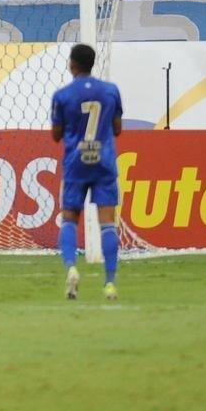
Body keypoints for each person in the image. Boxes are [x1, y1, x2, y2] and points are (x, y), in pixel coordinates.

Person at [51, 43, 123, 300]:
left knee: (69, 218)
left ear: (72, 64)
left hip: (76, 162)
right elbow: (117, 129)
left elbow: (56, 135)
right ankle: (110, 283)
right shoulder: (111, 91)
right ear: (91, 63)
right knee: (107, 224)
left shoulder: (62, 96)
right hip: (103, 161)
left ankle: (71, 268)